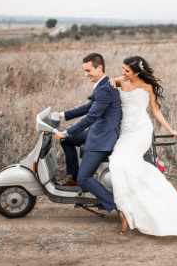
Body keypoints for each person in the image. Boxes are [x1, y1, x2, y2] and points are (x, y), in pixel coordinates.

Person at [108, 56, 177, 236]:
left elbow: (155, 110)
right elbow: (110, 82)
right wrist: (111, 80)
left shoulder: (148, 86)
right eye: (122, 69)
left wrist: (171, 129)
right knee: (117, 162)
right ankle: (126, 207)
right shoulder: (121, 81)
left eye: (127, 71)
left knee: (125, 162)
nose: (122, 73)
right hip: (126, 132)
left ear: (137, 72)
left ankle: (130, 209)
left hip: (141, 131)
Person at [52, 53, 129, 232]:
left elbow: (92, 116)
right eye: (85, 71)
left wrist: (66, 131)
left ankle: (119, 209)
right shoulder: (102, 85)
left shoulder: (104, 89)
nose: (86, 74)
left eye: (88, 70)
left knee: (85, 178)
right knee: (68, 142)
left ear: (99, 68)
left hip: (102, 139)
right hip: (98, 133)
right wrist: (62, 115)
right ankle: (74, 179)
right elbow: (89, 107)